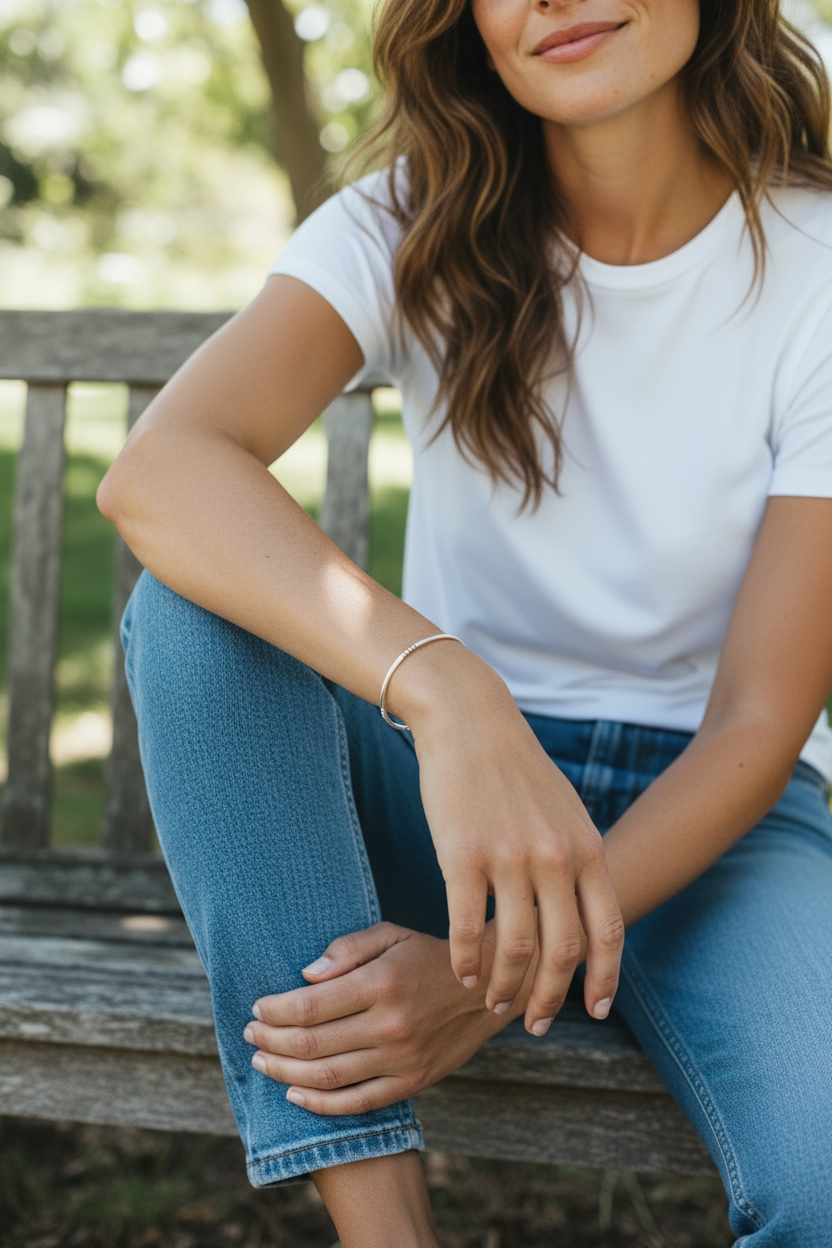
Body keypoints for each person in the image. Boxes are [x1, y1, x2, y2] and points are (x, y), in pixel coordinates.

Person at [96, 1, 832, 1244]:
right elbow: (160, 472)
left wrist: (486, 981)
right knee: (191, 618)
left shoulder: (816, 262)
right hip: (459, 807)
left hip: (720, 826)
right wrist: (451, 694)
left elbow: (760, 720)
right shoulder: (408, 219)